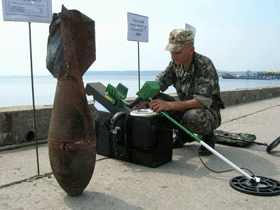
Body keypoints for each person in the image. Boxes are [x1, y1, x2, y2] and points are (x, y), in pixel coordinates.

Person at [139, 29, 224, 156]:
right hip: (185, 108)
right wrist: (143, 96)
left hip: (207, 112)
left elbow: (201, 102)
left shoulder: (204, 65)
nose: (172, 56)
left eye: (177, 52)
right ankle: (183, 135)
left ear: (191, 50)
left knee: (193, 117)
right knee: (154, 100)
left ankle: (208, 136)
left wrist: (169, 105)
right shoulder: (175, 64)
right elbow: (160, 82)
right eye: (171, 51)